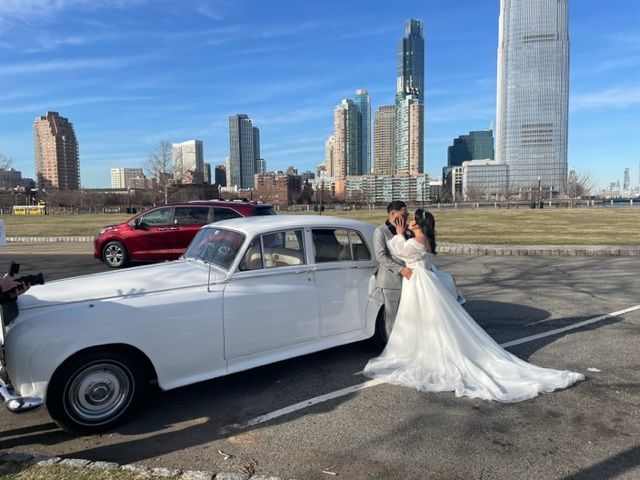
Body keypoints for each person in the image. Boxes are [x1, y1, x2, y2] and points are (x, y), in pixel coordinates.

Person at [364, 211, 584, 403]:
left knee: (429, 319)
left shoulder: (417, 240)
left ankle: (430, 354)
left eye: (413, 220)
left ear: (420, 225)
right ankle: (421, 349)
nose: (409, 221)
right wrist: (403, 234)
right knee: (422, 319)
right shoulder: (421, 239)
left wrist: (400, 232)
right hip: (419, 281)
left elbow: (398, 250)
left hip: (419, 282)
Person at [373, 201, 413, 340]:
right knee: (392, 318)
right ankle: (391, 348)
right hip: (391, 281)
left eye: (407, 214)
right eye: (404, 214)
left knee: (406, 317)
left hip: (409, 280)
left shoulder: (407, 230)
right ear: (392, 214)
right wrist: (400, 269)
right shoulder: (380, 231)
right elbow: (380, 256)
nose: (406, 217)